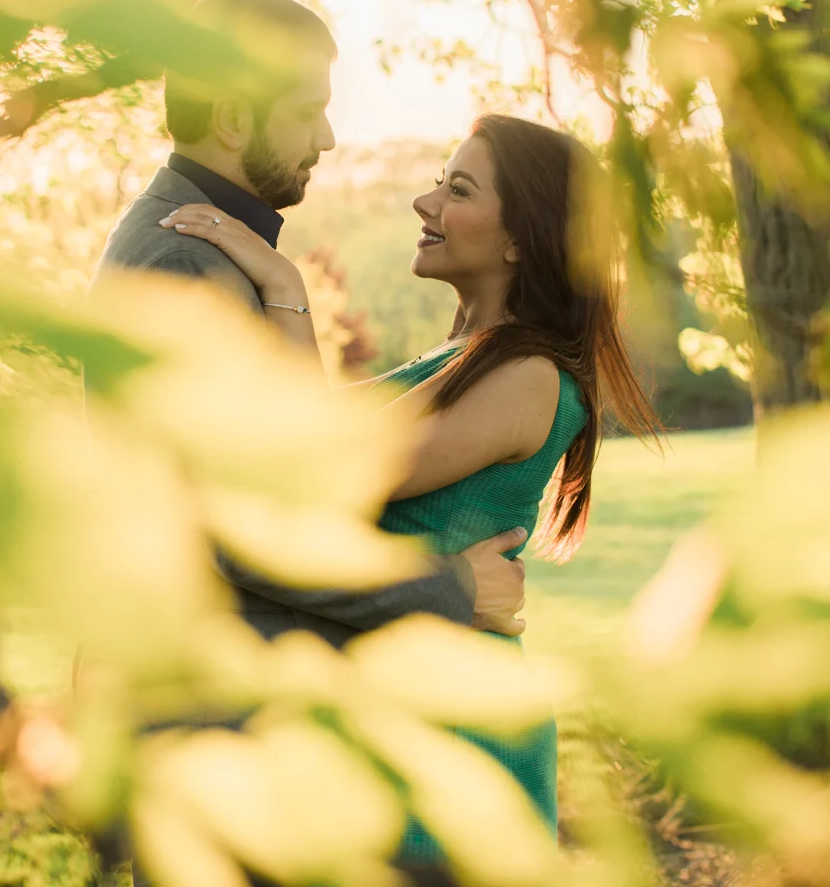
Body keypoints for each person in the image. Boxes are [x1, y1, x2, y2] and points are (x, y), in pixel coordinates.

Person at [165, 110, 661, 848]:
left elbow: (326, 471)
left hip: (461, 740)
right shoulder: (462, 356)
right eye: (437, 182)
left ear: (522, 239)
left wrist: (282, 284)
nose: (425, 204)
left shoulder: (529, 377)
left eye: (457, 190)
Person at [96, 0, 529, 649]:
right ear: (234, 119)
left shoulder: (210, 251)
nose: (325, 139)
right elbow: (236, 526)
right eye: (307, 112)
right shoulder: (185, 265)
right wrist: (450, 589)